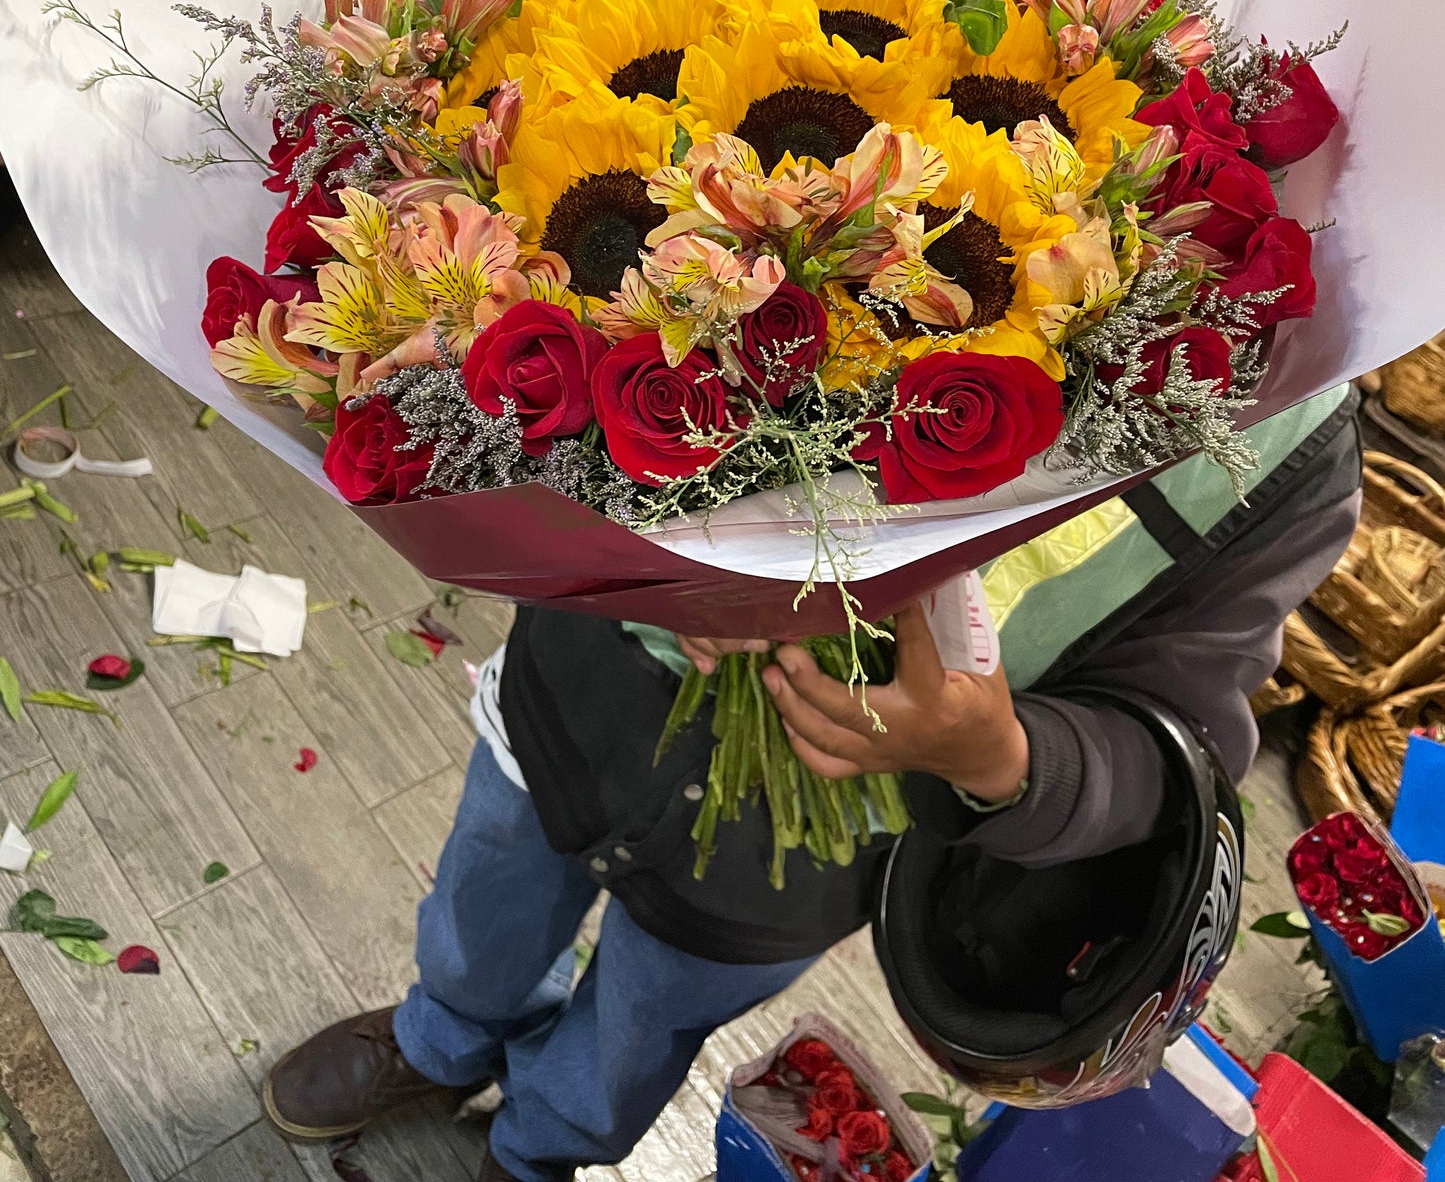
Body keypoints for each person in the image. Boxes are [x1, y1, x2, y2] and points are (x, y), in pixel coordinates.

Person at [262, 385, 1361, 1182]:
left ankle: (538, 1146)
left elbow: (1182, 729)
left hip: (825, 831)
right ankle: (437, 1037)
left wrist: (997, 755)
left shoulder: (1296, 456)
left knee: (649, 1013)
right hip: (594, 683)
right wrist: (667, 539)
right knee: (490, 878)